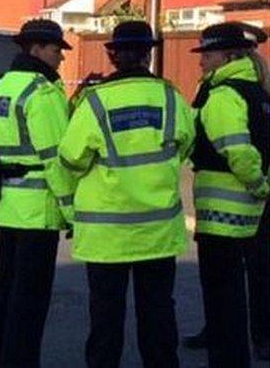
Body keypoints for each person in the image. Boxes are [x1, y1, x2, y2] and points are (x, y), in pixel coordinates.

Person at [54, 21, 194, 368]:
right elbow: (186, 145)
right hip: (157, 233)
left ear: (113, 55)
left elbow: (71, 158)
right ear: (148, 55)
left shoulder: (95, 101)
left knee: (106, 318)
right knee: (158, 314)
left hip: (107, 235)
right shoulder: (171, 96)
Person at [0, 19, 72, 367]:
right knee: (31, 299)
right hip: (39, 209)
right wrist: (71, 211)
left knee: (3, 289)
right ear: (35, 49)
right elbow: (56, 159)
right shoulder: (42, 93)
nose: (61, 59)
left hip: (7, 205)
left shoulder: (0, 88)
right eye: (55, 51)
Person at [184, 22, 270, 367]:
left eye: (207, 53)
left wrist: (259, 185)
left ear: (229, 54)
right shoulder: (241, 87)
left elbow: (236, 148)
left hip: (233, 203)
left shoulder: (227, 91)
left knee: (234, 279)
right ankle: (231, 334)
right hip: (247, 200)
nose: (201, 60)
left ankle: (249, 338)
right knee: (234, 280)